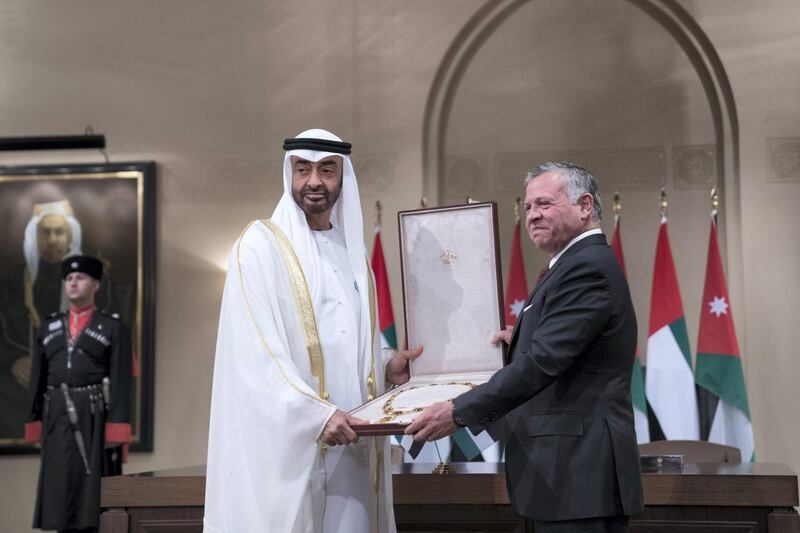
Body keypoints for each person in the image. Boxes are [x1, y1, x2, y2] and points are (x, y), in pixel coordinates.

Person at [406, 161, 644, 532]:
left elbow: (543, 364)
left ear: (584, 206)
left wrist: (457, 411)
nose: (532, 215)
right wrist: (519, 338)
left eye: (544, 204)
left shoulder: (587, 268)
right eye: (529, 206)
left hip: (579, 477)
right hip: (567, 480)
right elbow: (562, 349)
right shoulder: (572, 265)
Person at [204, 128, 421, 533]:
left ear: (344, 177)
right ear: (289, 174)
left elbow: (349, 338)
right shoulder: (259, 246)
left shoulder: (353, 257)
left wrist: (387, 364)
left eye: (327, 170)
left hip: (354, 451)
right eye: (302, 169)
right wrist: (312, 415)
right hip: (293, 451)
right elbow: (254, 354)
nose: (314, 181)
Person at [25, 255, 133, 532]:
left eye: (81, 278)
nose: (73, 283)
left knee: (93, 490)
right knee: (59, 486)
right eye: (69, 279)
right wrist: (34, 423)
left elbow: (121, 381)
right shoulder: (48, 326)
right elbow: (37, 378)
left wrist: (117, 430)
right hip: (56, 414)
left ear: (95, 284)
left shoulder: (112, 327)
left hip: (94, 414)